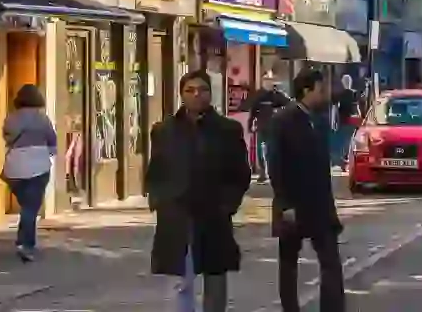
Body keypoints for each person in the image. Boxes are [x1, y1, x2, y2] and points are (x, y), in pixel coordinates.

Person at [146, 70, 252, 312]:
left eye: (202, 90)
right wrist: (160, 201)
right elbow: (156, 170)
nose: (196, 95)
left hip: (213, 214)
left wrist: (228, 204)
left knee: (215, 279)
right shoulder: (164, 130)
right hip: (176, 215)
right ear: (181, 95)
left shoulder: (227, 130)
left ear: (211, 93)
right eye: (190, 90)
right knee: (179, 281)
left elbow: (240, 173)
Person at [269, 68, 346, 312]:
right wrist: (285, 203)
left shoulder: (319, 119)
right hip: (293, 204)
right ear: (307, 90)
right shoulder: (283, 120)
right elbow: (276, 164)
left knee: (331, 262)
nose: (326, 95)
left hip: (320, 206)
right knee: (289, 263)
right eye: (321, 90)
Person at [1, 83, 57, 262]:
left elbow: (7, 137)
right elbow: (52, 140)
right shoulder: (42, 119)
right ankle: (26, 245)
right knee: (31, 207)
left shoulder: (11, 118)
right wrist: (49, 152)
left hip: (14, 168)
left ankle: (22, 239)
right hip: (38, 166)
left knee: (27, 206)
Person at [247, 82, 290, 183]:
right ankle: (263, 172)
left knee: (271, 151)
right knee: (260, 151)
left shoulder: (277, 95)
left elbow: (289, 104)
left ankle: (272, 173)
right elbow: (253, 111)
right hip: (261, 127)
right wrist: (250, 125)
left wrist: (279, 113)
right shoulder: (259, 96)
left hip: (273, 128)